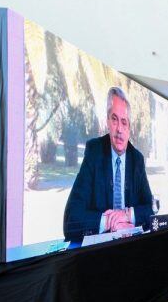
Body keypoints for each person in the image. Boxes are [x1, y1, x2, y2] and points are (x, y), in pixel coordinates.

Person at [63, 87, 153, 241]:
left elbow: (150, 210)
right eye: (114, 119)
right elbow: (71, 220)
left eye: (124, 122)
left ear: (129, 128)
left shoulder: (136, 159)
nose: (119, 129)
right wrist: (110, 223)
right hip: (100, 250)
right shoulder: (94, 152)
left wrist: (126, 215)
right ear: (107, 122)